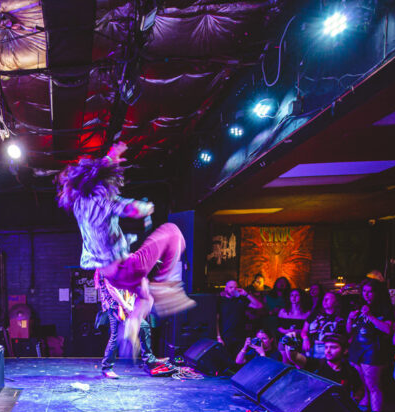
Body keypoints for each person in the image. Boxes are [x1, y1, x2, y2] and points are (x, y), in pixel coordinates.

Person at [57, 142, 195, 348]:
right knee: (172, 232)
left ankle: (133, 323)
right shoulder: (103, 201)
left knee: (145, 296)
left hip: (112, 277)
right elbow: (132, 210)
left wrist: (111, 157)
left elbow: (94, 174)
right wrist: (147, 208)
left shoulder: (78, 204)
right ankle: (165, 285)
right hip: (126, 268)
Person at [95, 270, 172, 378]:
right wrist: (125, 306)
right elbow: (111, 289)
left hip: (124, 305)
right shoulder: (106, 267)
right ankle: (106, 367)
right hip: (116, 306)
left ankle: (149, 361)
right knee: (115, 336)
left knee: (144, 327)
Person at [347, 278, 395, 412]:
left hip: (373, 349)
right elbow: (349, 331)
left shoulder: (385, 309)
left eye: (370, 291)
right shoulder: (359, 307)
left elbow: (388, 330)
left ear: (377, 293)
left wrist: (371, 316)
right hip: (357, 347)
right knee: (362, 385)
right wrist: (350, 319)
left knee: (373, 386)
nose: (367, 294)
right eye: (364, 291)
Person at [285, 333, 364, 402]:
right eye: (326, 347)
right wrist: (290, 344)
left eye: (333, 347)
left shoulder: (350, 371)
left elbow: (359, 390)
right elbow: (294, 357)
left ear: (345, 351)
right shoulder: (316, 364)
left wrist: (353, 402)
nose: (328, 351)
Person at [302, 290, 346, 360]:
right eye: (324, 299)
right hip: (311, 347)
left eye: (328, 299)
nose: (324, 301)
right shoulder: (315, 314)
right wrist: (305, 339)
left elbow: (345, 335)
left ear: (336, 301)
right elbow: (304, 330)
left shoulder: (341, 317)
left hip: (329, 349)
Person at [216, 279, 253, 355]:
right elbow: (216, 320)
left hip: (240, 337)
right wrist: (218, 337)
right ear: (226, 288)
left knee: (239, 359)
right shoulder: (221, 301)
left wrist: (246, 294)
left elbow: (258, 306)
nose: (233, 289)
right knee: (226, 359)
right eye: (231, 287)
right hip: (226, 336)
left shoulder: (241, 300)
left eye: (235, 288)